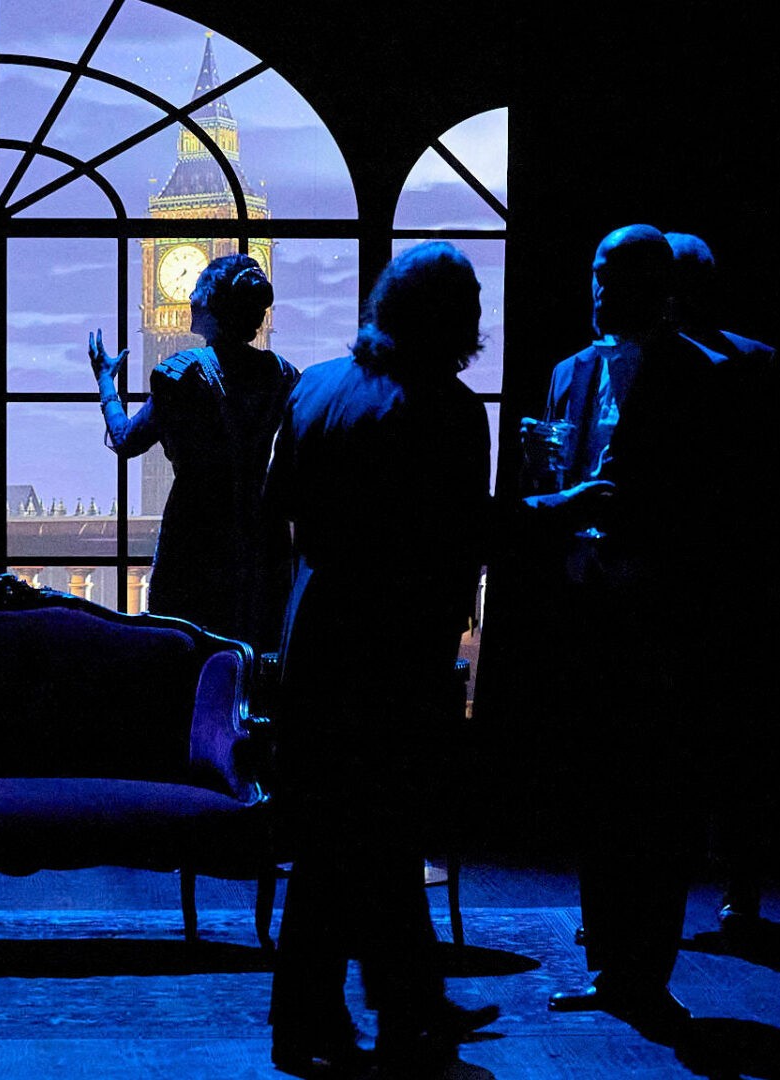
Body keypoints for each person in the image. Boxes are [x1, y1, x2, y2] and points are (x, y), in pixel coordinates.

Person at [263, 241, 499, 1076]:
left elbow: (277, 505)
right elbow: (463, 541)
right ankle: (389, 1013)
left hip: (315, 638)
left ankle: (337, 1015)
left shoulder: (314, 386)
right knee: (382, 835)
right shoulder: (451, 410)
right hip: (395, 653)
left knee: (333, 841)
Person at [521, 223, 758, 1038]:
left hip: (660, 616)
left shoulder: (702, 377)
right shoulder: (568, 372)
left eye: (613, 277)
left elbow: (717, 508)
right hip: (586, 608)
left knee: (657, 801)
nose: (597, 290)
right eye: (594, 273)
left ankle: (647, 973)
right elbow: (557, 481)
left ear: (655, 289)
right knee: (596, 791)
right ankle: (609, 965)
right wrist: (547, 477)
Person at [665, 230, 780, 934]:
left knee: (712, 742)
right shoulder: (755, 360)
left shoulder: (738, 363)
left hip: (711, 572)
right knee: (730, 743)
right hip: (725, 571)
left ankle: (702, 889)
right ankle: (736, 891)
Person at [89, 252, 298, 650]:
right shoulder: (282, 373)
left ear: (214, 304)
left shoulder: (182, 373)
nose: (190, 297)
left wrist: (105, 383)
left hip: (196, 532)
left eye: (198, 288)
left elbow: (126, 440)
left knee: (189, 649)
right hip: (263, 536)